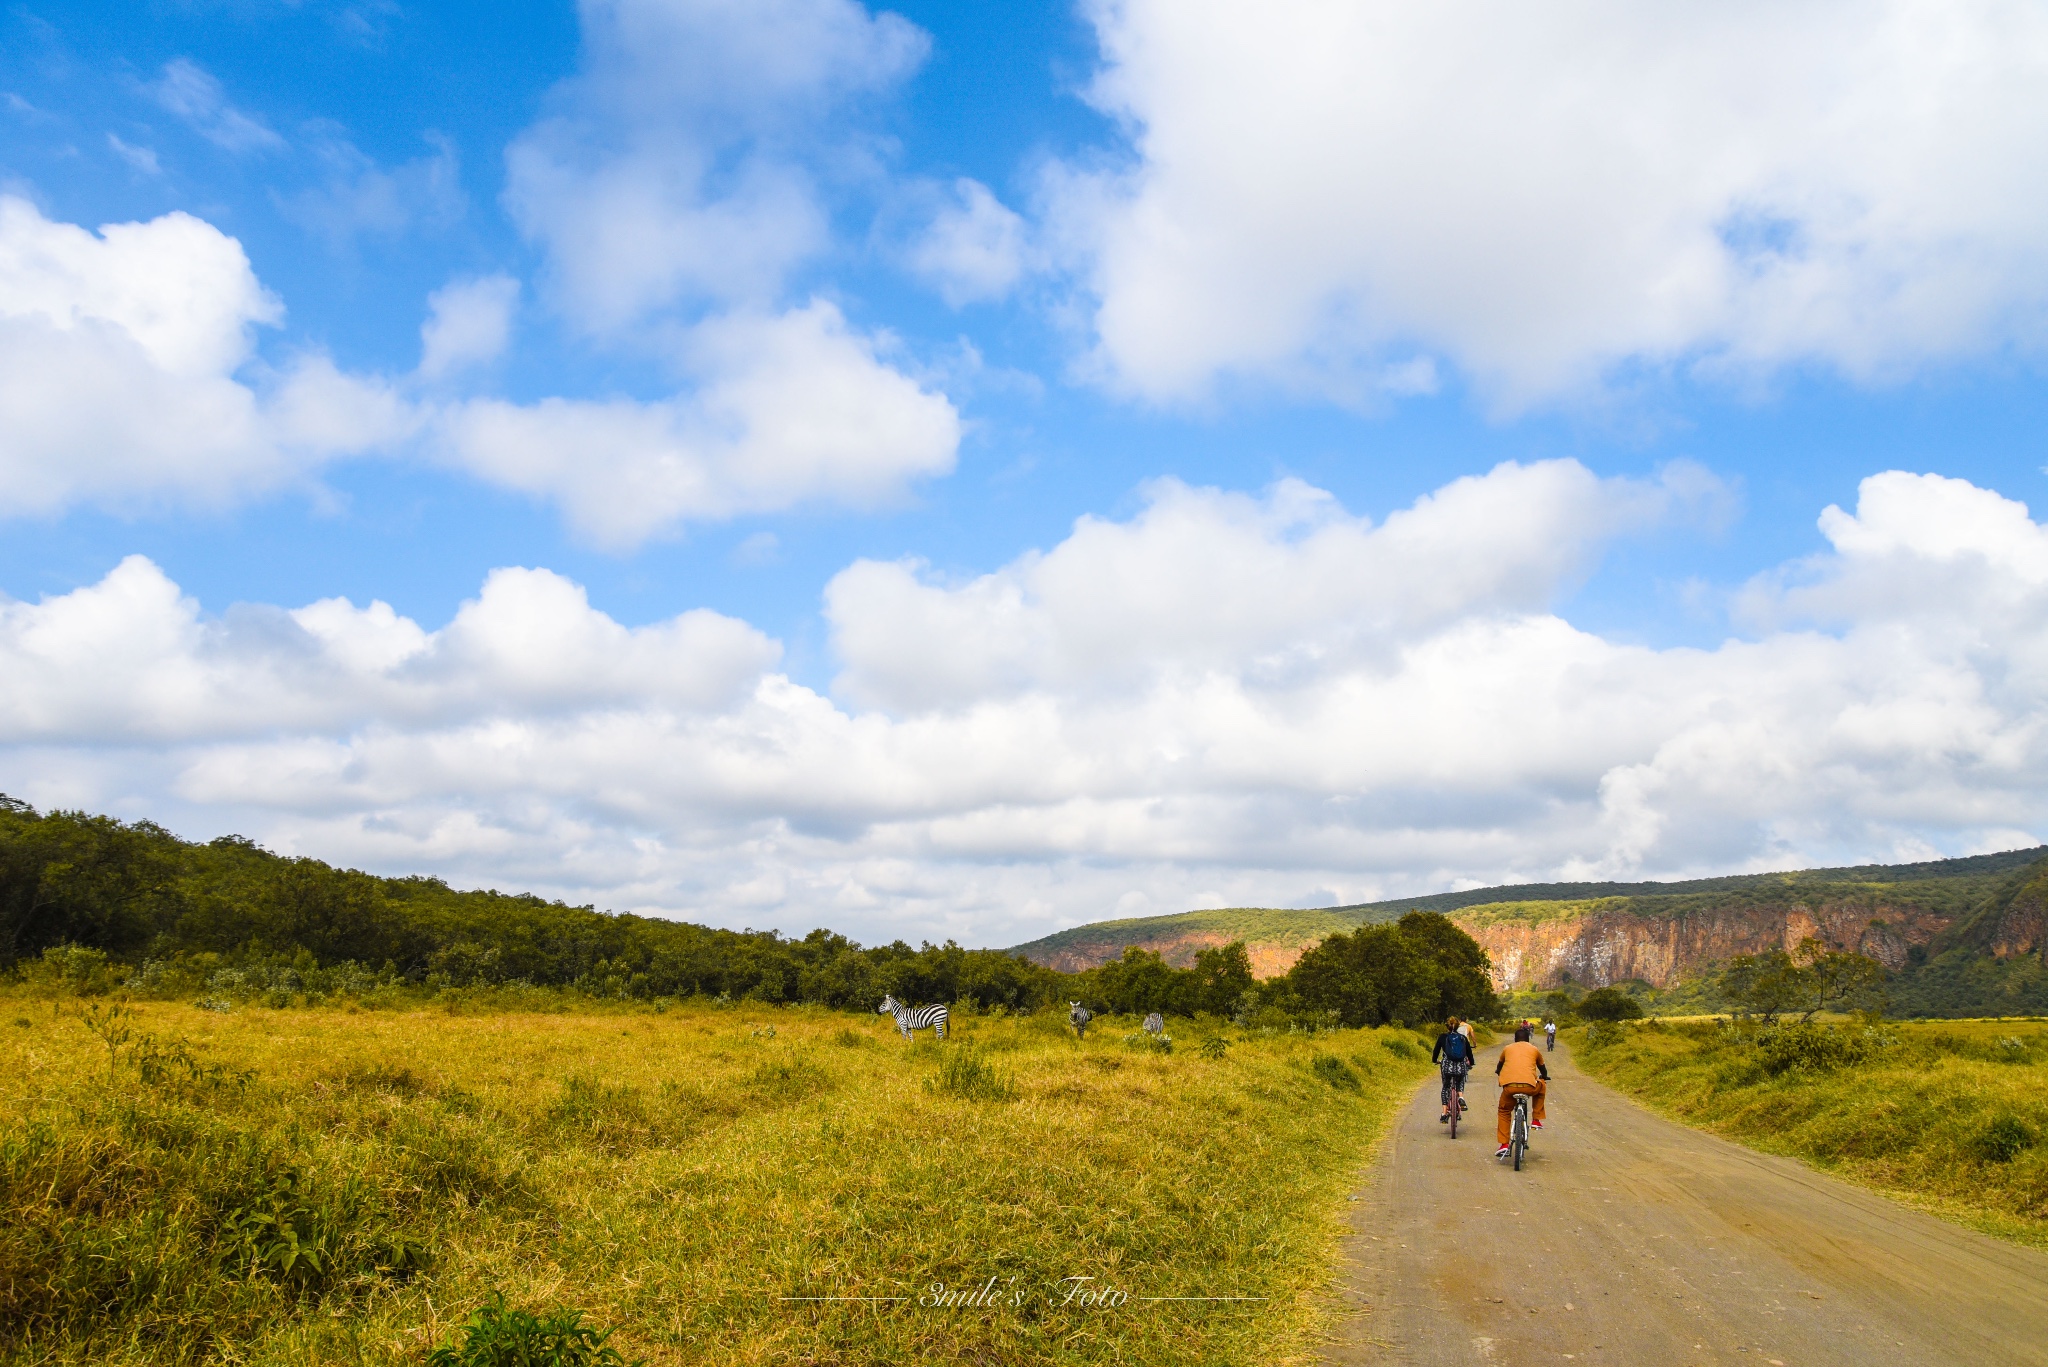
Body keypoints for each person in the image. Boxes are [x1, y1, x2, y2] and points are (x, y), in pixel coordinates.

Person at [1495, 1024, 1550, 1158]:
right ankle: (1536, 1119)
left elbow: (1500, 1065)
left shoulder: (1507, 1048)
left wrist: (1498, 1072)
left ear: (1515, 1039)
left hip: (1510, 1087)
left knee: (1504, 1111)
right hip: (1529, 1086)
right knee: (1542, 1085)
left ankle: (1504, 1145)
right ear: (1528, 1040)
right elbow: (1542, 1068)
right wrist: (1544, 1076)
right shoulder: (1534, 1049)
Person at [1431, 1016, 1475, 1122]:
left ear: (1448, 1026)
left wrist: (1434, 1060)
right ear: (1458, 1027)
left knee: (1446, 1087)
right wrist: (1471, 1063)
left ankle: (1444, 1113)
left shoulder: (1443, 1037)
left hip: (1447, 1066)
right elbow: (1469, 1053)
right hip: (1461, 1066)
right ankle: (1460, 1097)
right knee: (1460, 1082)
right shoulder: (1463, 1038)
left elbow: (1436, 1051)